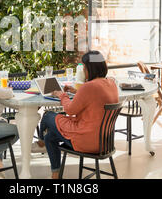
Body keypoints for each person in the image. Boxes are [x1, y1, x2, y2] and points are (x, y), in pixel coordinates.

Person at [31, 50, 118, 179]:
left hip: (87, 141)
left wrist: (62, 95)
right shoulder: (111, 83)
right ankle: (55, 174)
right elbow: (95, 97)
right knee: (51, 136)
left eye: (83, 67)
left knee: (48, 115)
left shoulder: (89, 87)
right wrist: (77, 91)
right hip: (105, 142)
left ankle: (41, 142)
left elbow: (70, 110)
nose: (82, 70)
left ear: (89, 68)